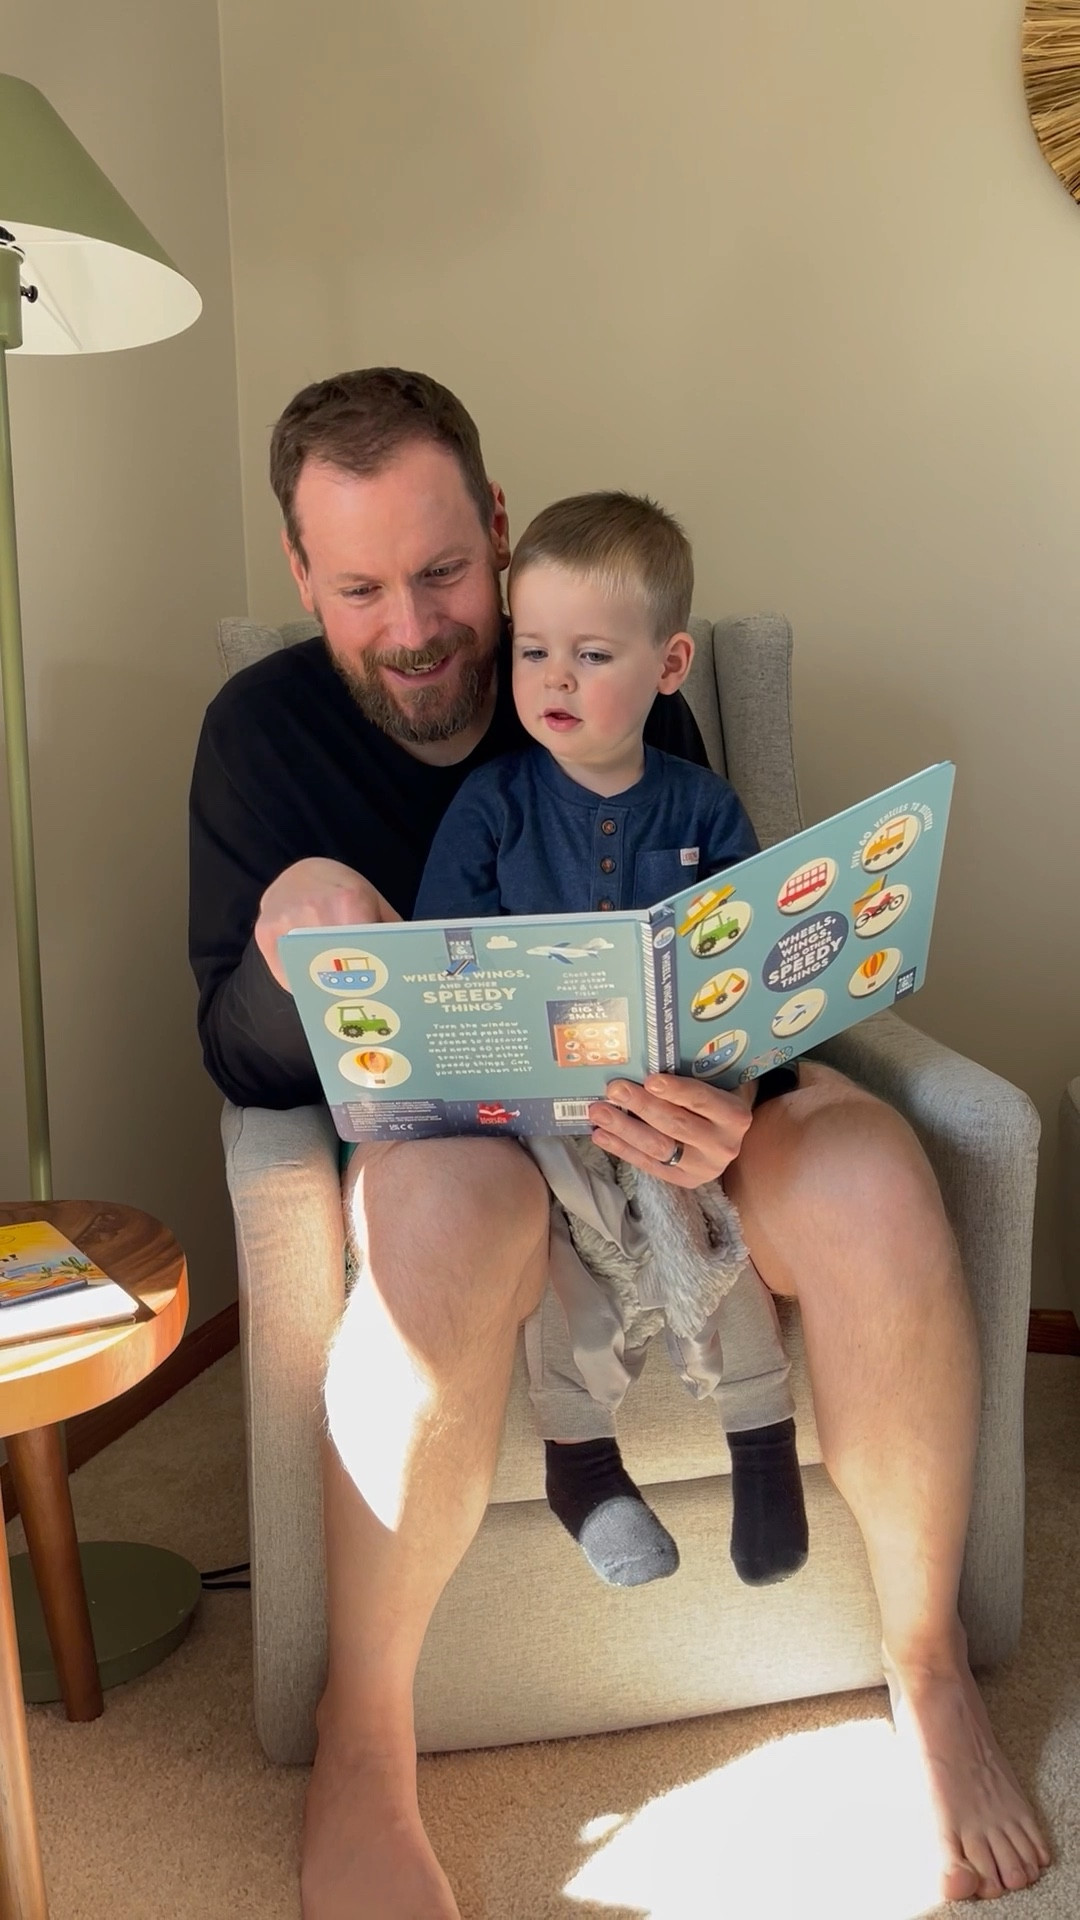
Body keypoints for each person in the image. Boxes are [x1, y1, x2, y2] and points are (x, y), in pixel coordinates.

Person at [189, 367, 1049, 1918]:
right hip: (463, 1147)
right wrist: (286, 941)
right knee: (445, 1220)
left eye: (449, 573)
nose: (418, 626)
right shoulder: (261, 735)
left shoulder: (620, 660)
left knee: (869, 1173)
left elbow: (710, 935)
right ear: (301, 574)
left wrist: (735, 1075)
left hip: (674, 1117)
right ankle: (364, 1749)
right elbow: (235, 1052)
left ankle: (925, 1672)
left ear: (500, 534)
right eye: (364, 586)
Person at [414, 489, 809, 1592]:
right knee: (562, 1258)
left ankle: (760, 1441)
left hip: (680, 1104)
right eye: (532, 650)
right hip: (544, 1119)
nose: (553, 679)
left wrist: (736, 1071)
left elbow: (751, 966)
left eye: (590, 654)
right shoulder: (492, 807)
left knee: (718, 1230)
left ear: (669, 665)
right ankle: (581, 1459)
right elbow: (442, 966)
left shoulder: (703, 808)